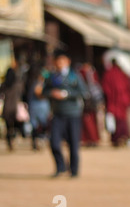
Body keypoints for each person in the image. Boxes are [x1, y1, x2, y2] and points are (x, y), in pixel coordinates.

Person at [43, 50, 88, 178]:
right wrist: (51, 93)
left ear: (68, 61)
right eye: (58, 60)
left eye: (62, 60)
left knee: (73, 144)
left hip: (73, 114)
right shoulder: (51, 76)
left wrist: (67, 94)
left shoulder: (74, 76)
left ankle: (73, 170)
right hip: (57, 114)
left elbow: (84, 92)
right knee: (54, 142)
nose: (60, 63)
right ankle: (60, 167)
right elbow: (44, 91)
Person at [101, 58, 130, 147]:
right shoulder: (123, 74)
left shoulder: (108, 74)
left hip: (114, 101)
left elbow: (105, 88)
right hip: (122, 101)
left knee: (115, 120)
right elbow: (129, 87)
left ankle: (116, 138)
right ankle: (123, 136)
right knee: (122, 120)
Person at [0, 60, 25, 151]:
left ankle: (9, 141)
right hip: (16, 108)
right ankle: (15, 138)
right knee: (16, 125)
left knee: (8, 126)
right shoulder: (18, 84)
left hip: (7, 108)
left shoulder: (4, 85)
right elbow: (22, 93)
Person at [26, 62, 51, 151]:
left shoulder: (37, 82)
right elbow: (38, 93)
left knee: (38, 125)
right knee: (38, 126)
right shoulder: (38, 83)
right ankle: (36, 143)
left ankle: (37, 142)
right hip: (38, 106)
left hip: (39, 106)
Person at [78, 62, 103, 147]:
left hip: (91, 101)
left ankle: (93, 139)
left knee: (91, 121)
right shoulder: (81, 74)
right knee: (86, 121)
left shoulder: (91, 73)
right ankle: (88, 139)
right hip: (85, 101)